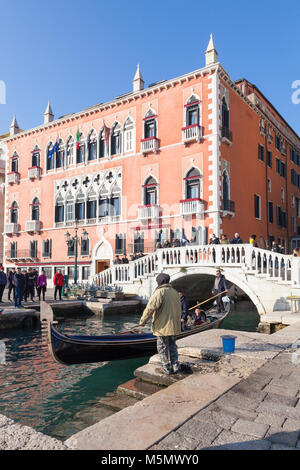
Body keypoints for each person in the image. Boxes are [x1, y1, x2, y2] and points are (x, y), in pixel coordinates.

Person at [139, 273, 181, 375]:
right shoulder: (175, 292)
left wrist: (143, 321)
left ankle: (166, 368)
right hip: (174, 326)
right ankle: (175, 366)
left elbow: (150, 308)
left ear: (159, 282)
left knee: (162, 347)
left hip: (163, 327)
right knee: (172, 346)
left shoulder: (159, 292)